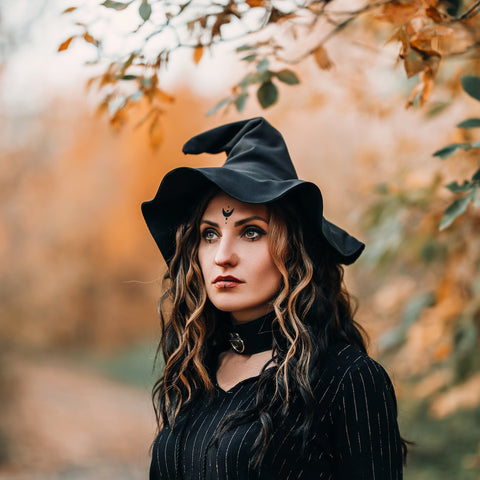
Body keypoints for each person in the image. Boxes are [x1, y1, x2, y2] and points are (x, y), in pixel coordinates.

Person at [142, 117, 407, 479]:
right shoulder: (195, 371)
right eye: (209, 234)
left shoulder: (347, 379)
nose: (223, 255)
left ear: (294, 251)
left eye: (251, 232)